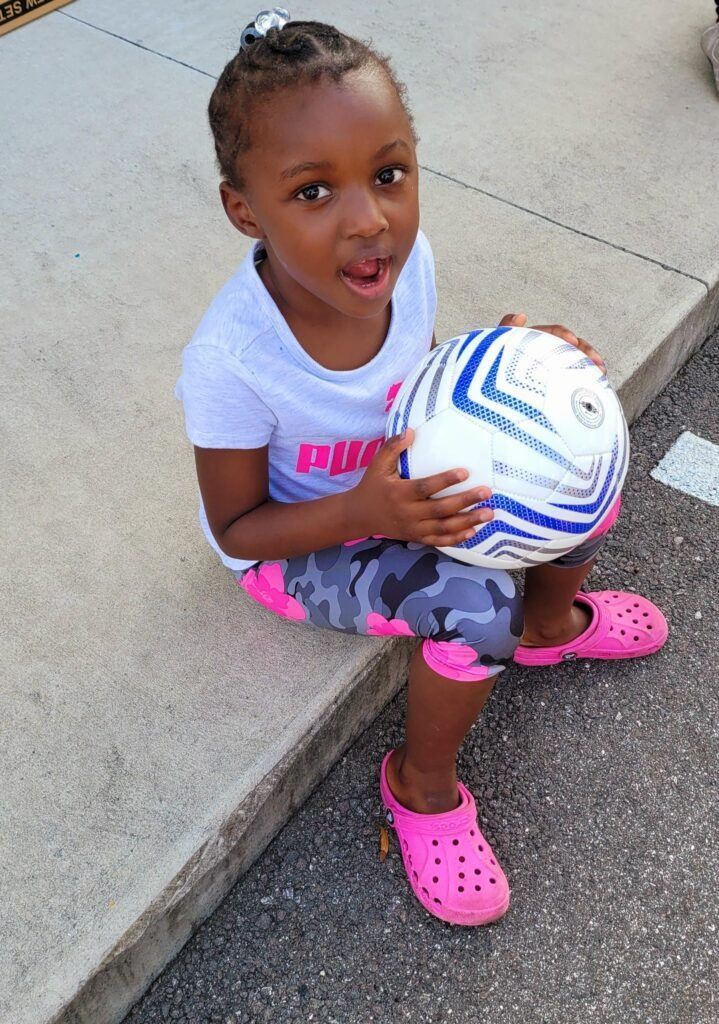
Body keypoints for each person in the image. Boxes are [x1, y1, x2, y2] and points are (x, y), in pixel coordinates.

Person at [174, 8, 668, 927]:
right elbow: (237, 532)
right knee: (472, 603)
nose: (370, 222)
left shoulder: (405, 262)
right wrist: (371, 510)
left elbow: (425, 379)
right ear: (244, 210)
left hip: (394, 491)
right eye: (313, 192)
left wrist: (518, 373)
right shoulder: (231, 363)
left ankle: (550, 624)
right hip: (300, 544)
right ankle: (421, 787)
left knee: (578, 462)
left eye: (389, 175)